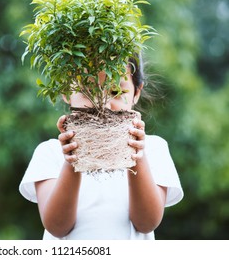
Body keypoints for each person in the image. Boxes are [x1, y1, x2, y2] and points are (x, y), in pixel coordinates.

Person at [19, 54, 184, 240]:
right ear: (66, 92)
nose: (103, 105)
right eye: (89, 90)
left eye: (116, 92)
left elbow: (146, 223)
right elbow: (57, 227)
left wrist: (136, 157)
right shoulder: (50, 153)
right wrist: (73, 161)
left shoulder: (153, 149)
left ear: (136, 93)